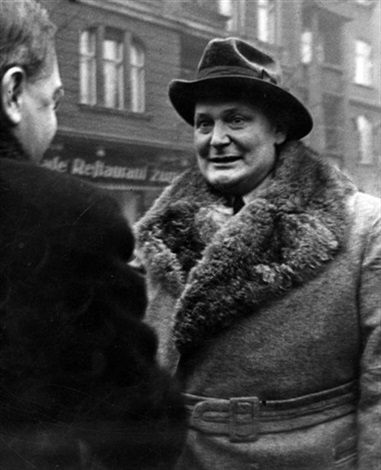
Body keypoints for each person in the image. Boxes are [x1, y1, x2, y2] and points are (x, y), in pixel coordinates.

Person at [134, 37, 381, 469]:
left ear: (279, 129)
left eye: (236, 120)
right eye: (203, 123)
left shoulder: (363, 226)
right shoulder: (162, 230)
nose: (216, 139)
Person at [0, 1, 185, 468]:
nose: (55, 122)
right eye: (54, 101)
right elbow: (142, 427)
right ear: (13, 93)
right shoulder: (70, 216)